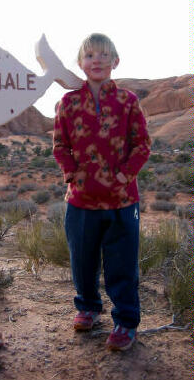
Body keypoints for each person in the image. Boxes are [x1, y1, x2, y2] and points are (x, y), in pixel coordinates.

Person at [53, 33, 151, 351]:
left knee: (122, 263)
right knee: (82, 259)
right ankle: (88, 308)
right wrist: (72, 174)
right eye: (90, 55)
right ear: (81, 63)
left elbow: (142, 144)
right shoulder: (67, 103)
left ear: (115, 62)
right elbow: (60, 146)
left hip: (122, 200)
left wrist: (125, 175)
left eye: (104, 55)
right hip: (81, 200)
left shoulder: (128, 101)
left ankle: (125, 321)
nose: (97, 60)